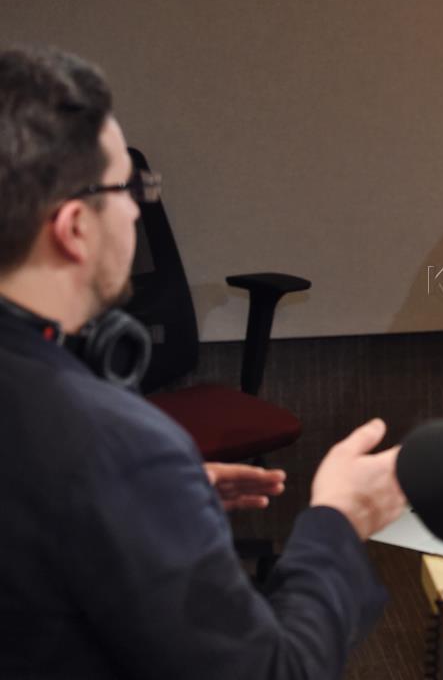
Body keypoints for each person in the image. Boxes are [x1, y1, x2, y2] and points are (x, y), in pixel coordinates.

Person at [0, 46, 407, 677]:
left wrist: (148, 506)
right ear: (75, 227)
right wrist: (337, 521)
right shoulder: (117, 447)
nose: (137, 208)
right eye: (128, 188)